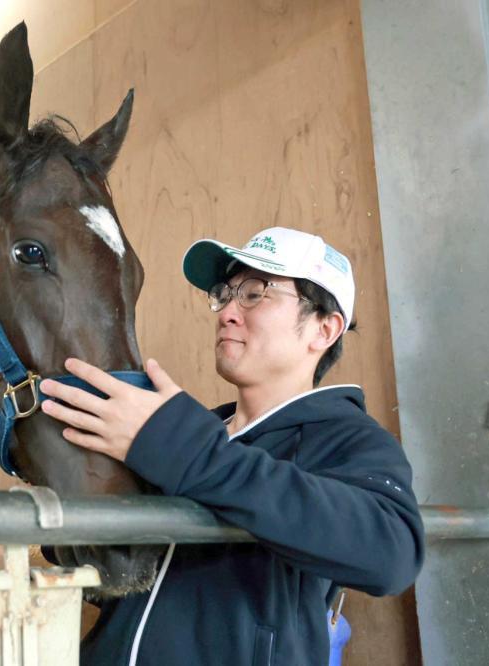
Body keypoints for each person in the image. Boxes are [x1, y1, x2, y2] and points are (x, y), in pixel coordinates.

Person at [39, 226, 425, 666]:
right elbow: (117, 575)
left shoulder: (346, 439)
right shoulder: (188, 432)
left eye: (256, 293)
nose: (227, 312)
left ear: (324, 329)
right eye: (226, 293)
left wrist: (187, 451)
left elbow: (393, 553)